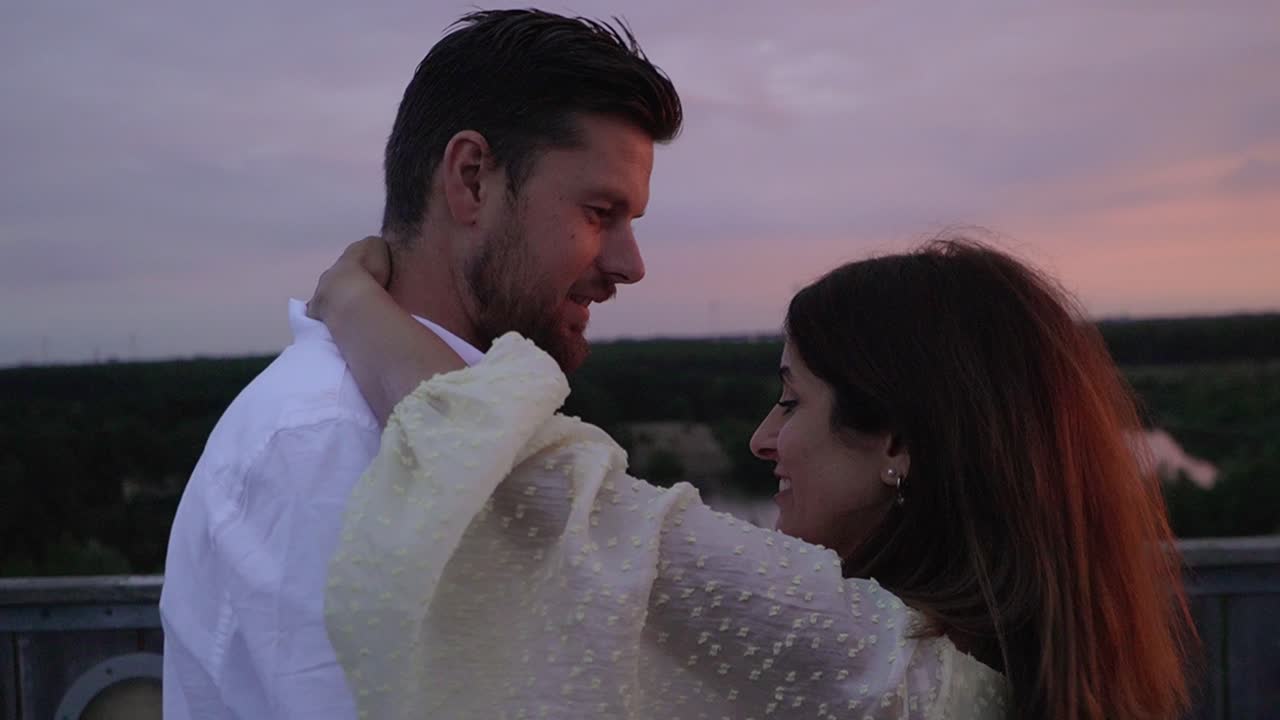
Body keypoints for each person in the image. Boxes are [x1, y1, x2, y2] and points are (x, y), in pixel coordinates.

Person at [309, 236, 1195, 719]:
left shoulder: (873, 659)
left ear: (897, 440)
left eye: (793, 399)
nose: (765, 439)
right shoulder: (1033, 653)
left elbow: (535, 483)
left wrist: (350, 300)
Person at [159, 10, 682, 718]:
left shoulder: (436, 419)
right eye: (600, 212)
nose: (630, 265)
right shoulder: (332, 442)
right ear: (471, 180)